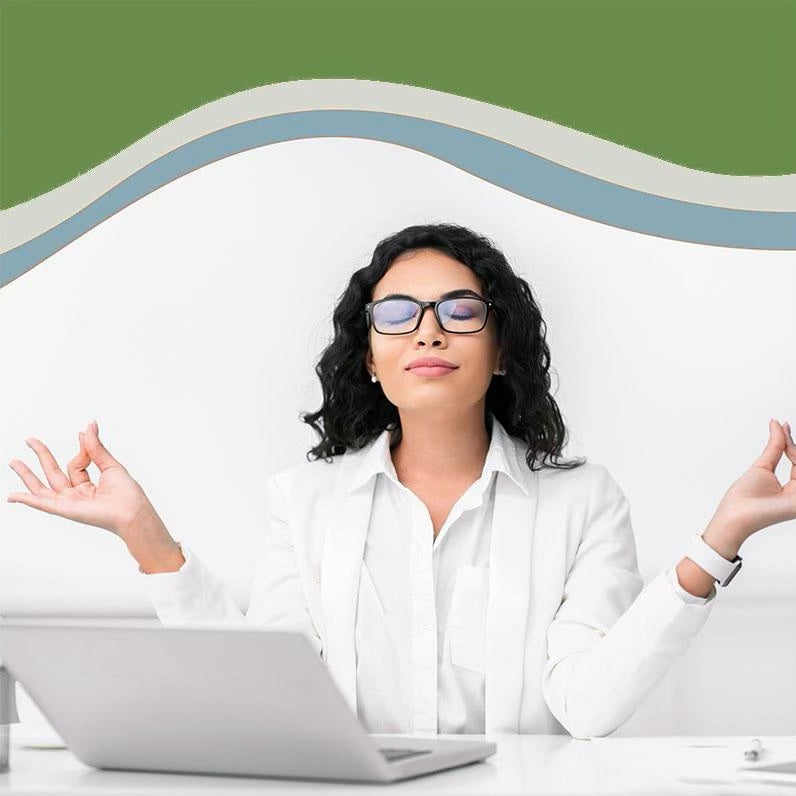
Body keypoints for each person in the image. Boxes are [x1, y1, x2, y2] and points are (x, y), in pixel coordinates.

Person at [7, 223, 795, 739]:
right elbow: (275, 694)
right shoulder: (304, 501)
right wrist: (144, 535)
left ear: (503, 350)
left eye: (459, 310)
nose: (427, 328)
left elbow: (586, 709)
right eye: (398, 315)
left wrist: (718, 540)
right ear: (372, 362)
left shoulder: (583, 501)